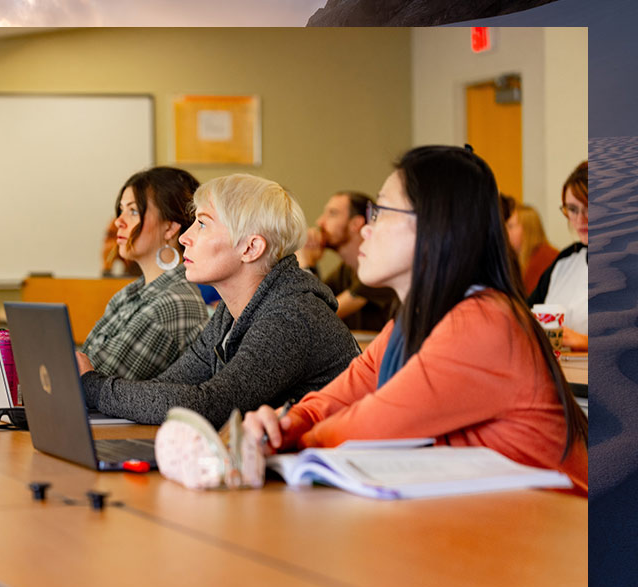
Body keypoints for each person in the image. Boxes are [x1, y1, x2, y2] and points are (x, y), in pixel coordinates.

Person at [244, 146, 587, 495]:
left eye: (379, 212)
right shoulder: (412, 319)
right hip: (488, 520)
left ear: (435, 226)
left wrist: (281, 441)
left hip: (558, 530)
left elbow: (372, 425)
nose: (365, 229)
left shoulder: (484, 322)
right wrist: (287, 423)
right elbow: (335, 398)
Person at [77, 173, 359, 428]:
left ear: (250, 248)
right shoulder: (231, 313)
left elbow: (210, 406)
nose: (185, 237)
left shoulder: (292, 315)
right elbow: (170, 385)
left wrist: (92, 385)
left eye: (202, 224)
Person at [80, 167, 209, 380]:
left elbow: (88, 380)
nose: (118, 222)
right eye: (121, 210)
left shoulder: (173, 303)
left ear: (170, 227)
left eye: (133, 211)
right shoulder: (131, 293)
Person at [295, 191, 397, 331]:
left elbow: (318, 316)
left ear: (356, 223)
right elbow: (308, 306)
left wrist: (306, 265)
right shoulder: (345, 271)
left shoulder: (380, 268)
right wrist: (310, 264)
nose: (320, 222)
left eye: (332, 213)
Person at [528, 161, 588, 351]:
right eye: (572, 209)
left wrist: (586, 342)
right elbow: (525, 315)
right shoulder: (566, 260)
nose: (580, 219)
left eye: (589, 207)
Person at [506, 203, 558, 296]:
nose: (505, 231)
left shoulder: (545, 259)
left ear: (527, 229)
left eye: (510, 226)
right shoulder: (518, 259)